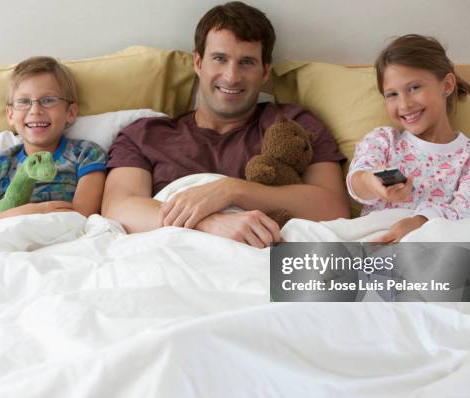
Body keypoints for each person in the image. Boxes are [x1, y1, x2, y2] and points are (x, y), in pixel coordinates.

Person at [102, 1, 349, 248]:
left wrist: (231, 191)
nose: (231, 76)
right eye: (220, 58)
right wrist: (208, 223)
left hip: (263, 264)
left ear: (265, 72)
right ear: (198, 63)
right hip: (172, 264)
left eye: (247, 62)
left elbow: (333, 208)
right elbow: (118, 209)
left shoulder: (294, 125)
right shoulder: (145, 135)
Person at [347, 34, 470, 243]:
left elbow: (465, 212)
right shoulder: (383, 139)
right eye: (392, 94)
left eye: (414, 88)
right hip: (379, 236)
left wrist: (419, 222)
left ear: (447, 85)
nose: (404, 105)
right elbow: (357, 181)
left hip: (435, 239)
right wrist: (369, 181)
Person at [0, 56, 107, 244]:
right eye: (23, 101)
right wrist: (21, 214)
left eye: (48, 100)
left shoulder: (86, 155)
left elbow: (81, 217)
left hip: (64, 244)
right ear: (10, 114)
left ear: (70, 112)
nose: (35, 109)